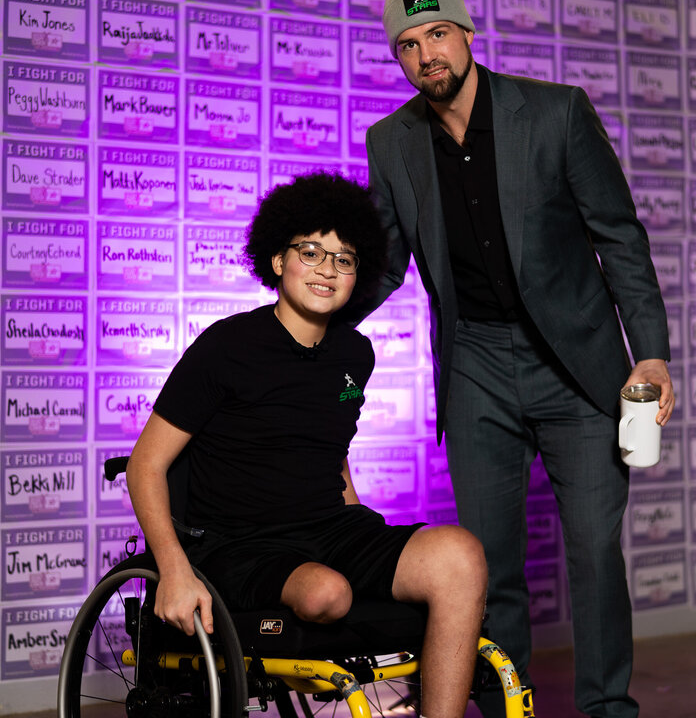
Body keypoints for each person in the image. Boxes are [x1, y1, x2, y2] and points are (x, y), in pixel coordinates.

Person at [358, 0, 675, 718]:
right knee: (487, 563)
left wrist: (653, 353)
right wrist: (312, 315)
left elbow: (620, 239)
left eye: (438, 34)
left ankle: (607, 709)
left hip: (578, 366)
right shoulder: (390, 141)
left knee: (596, 552)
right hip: (475, 368)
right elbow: (387, 263)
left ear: (468, 33)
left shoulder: (557, 113)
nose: (426, 54)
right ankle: (511, 705)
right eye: (408, 43)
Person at [126, 173, 488, 718]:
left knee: (461, 556)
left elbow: (329, 445)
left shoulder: (355, 353)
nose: (327, 268)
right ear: (277, 260)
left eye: (344, 259)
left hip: (327, 528)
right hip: (241, 542)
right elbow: (146, 465)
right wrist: (175, 572)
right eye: (312, 251)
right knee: (327, 595)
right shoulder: (226, 346)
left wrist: (358, 520)